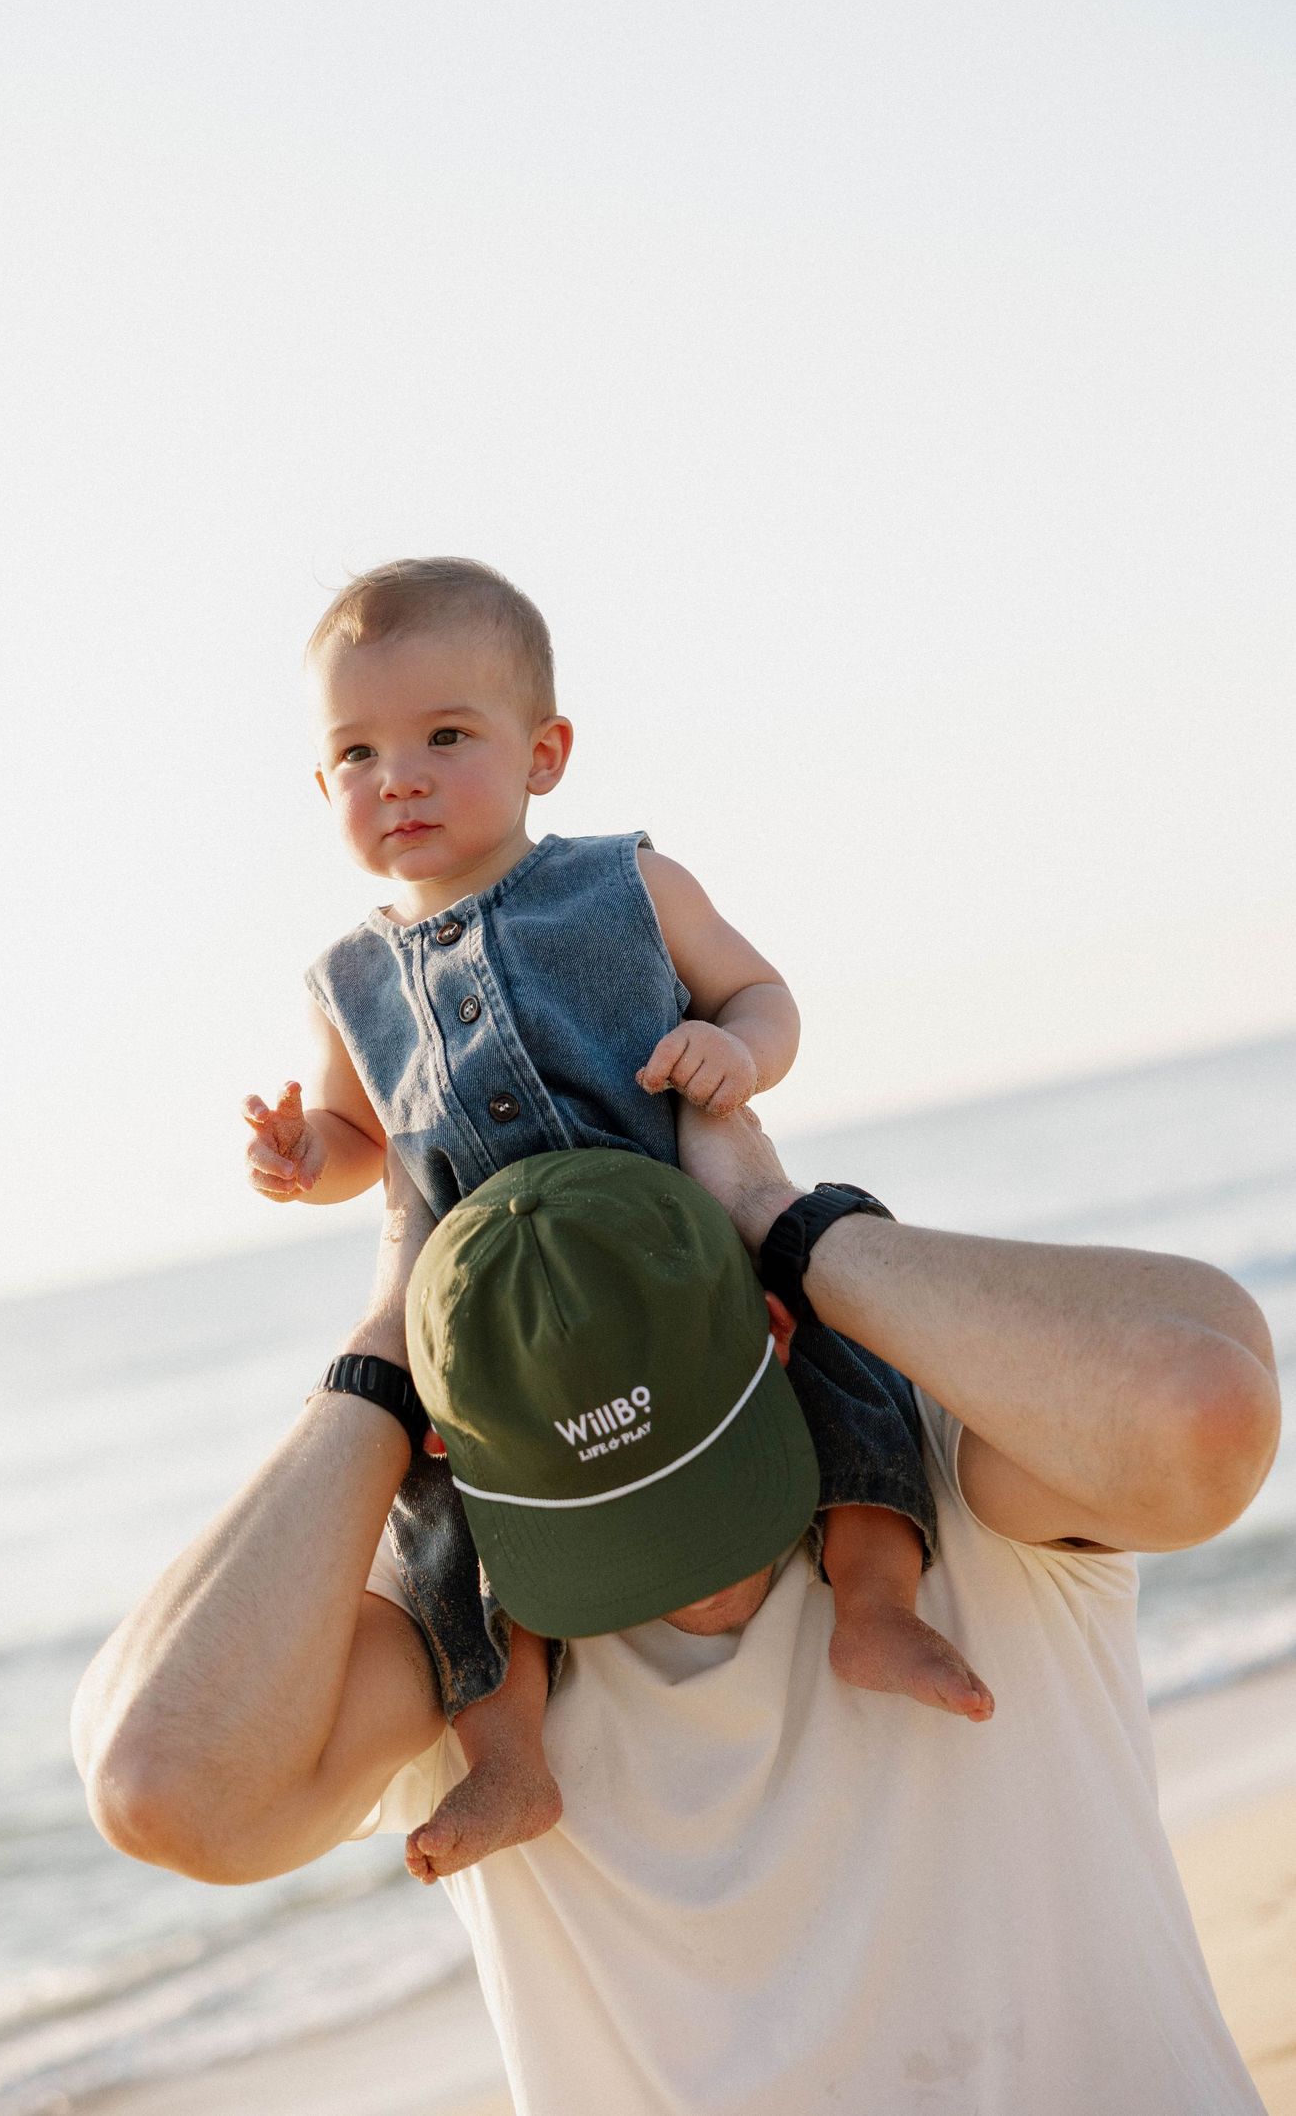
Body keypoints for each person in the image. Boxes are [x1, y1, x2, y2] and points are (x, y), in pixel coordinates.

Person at [72, 1109, 1278, 2115]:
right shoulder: (471, 1656)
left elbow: (1204, 1405)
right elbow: (160, 1783)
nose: (695, 1578)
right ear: (464, 1463)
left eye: (705, 1483)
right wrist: (384, 1359)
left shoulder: (948, 1475)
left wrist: (782, 1219)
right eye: (608, 1525)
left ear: (773, 1330)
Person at [242, 553, 984, 1877]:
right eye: (357, 753)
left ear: (546, 752)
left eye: (444, 736)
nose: (397, 776)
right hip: (510, 1333)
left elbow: (761, 993)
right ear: (320, 789)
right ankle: (509, 1751)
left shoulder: (626, 884)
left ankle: (877, 1592)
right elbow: (363, 1135)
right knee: (441, 1496)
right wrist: (311, 1155)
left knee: (842, 1316)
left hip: (690, 1248)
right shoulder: (346, 978)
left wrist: (737, 1056)